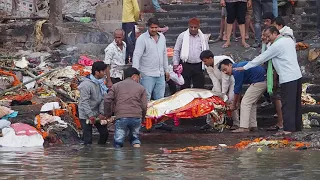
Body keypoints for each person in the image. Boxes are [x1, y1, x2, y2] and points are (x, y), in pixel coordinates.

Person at [234, 26, 302, 135]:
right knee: (296, 104)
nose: (267, 38)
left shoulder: (277, 45)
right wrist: (267, 42)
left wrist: (245, 67)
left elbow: (262, 57)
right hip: (297, 75)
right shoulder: (289, 40)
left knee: (287, 104)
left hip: (288, 77)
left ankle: (288, 129)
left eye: (268, 36)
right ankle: (297, 127)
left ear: (275, 33)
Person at [104, 67, 147, 148]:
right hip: (136, 117)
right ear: (134, 76)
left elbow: (107, 100)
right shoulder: (141, 88)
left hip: (121, 117)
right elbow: (144, 105)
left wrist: (108, 114)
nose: (139, 79)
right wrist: (143, 117)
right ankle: (137, 157)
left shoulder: (116, 86)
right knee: (135, 139)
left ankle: (119, 159)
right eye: (138, 77)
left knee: (118, 141)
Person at [219, 59, 267, 133]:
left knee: (245, 102)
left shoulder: (237, 70)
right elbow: (239, 88)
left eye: (225, 69)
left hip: (259, 81)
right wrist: (236, 103)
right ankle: (252, 125)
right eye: (223, 71)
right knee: (251, 103)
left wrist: (234, 105)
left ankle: (244, 127)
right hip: (261, 80)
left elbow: (237, 89)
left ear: (230, 65)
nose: (225, 72)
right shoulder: (237, 68)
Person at [200, 50, 240, 130]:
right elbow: (214, 80)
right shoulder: (207, 66)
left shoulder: (221, 61)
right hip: (219, 83)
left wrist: (223, 95)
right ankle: (210, 123)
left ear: (211, 58)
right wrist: (218, 95)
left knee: (230, 101)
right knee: (211, 99)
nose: (204, 63)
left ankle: (236, 123)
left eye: (205, 61)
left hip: (231, 82)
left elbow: (226, 79)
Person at [132, 17, 170, 101]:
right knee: (146, 98)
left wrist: (166, 70)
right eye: (152, 28)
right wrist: (136, 72)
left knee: (160, 99)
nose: (154, 30)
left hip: (160, 74)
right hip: (147, 74)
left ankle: (157, 114)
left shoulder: (162, 37)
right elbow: (137, 55)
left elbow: (164, 54)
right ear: (148, 27)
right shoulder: (142, 39)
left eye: (156, 27)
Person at [172, 17, 209, 89]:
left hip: (198, 66)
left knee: (199, 88)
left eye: (195, 27)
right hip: (185, 65)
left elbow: (206, 51)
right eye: (191, 27)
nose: (193, 29)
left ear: (199, 27)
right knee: (184, 88)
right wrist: (175, 63)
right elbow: (177, 50)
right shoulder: (182, 36)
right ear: (188, 26)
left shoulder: (203, 37)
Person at [78, 61, 109, 145]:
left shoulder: (101, 83)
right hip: (85, 113)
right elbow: (84, 102)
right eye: (103, 71)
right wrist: (90, 116)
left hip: (97, 112)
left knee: (104, 134)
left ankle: (100, 153)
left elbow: (103, 98)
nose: (105, 73)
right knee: (88, 139)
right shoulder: (86, 84)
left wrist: (101, 113)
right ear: (97, 72)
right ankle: (88, 155)